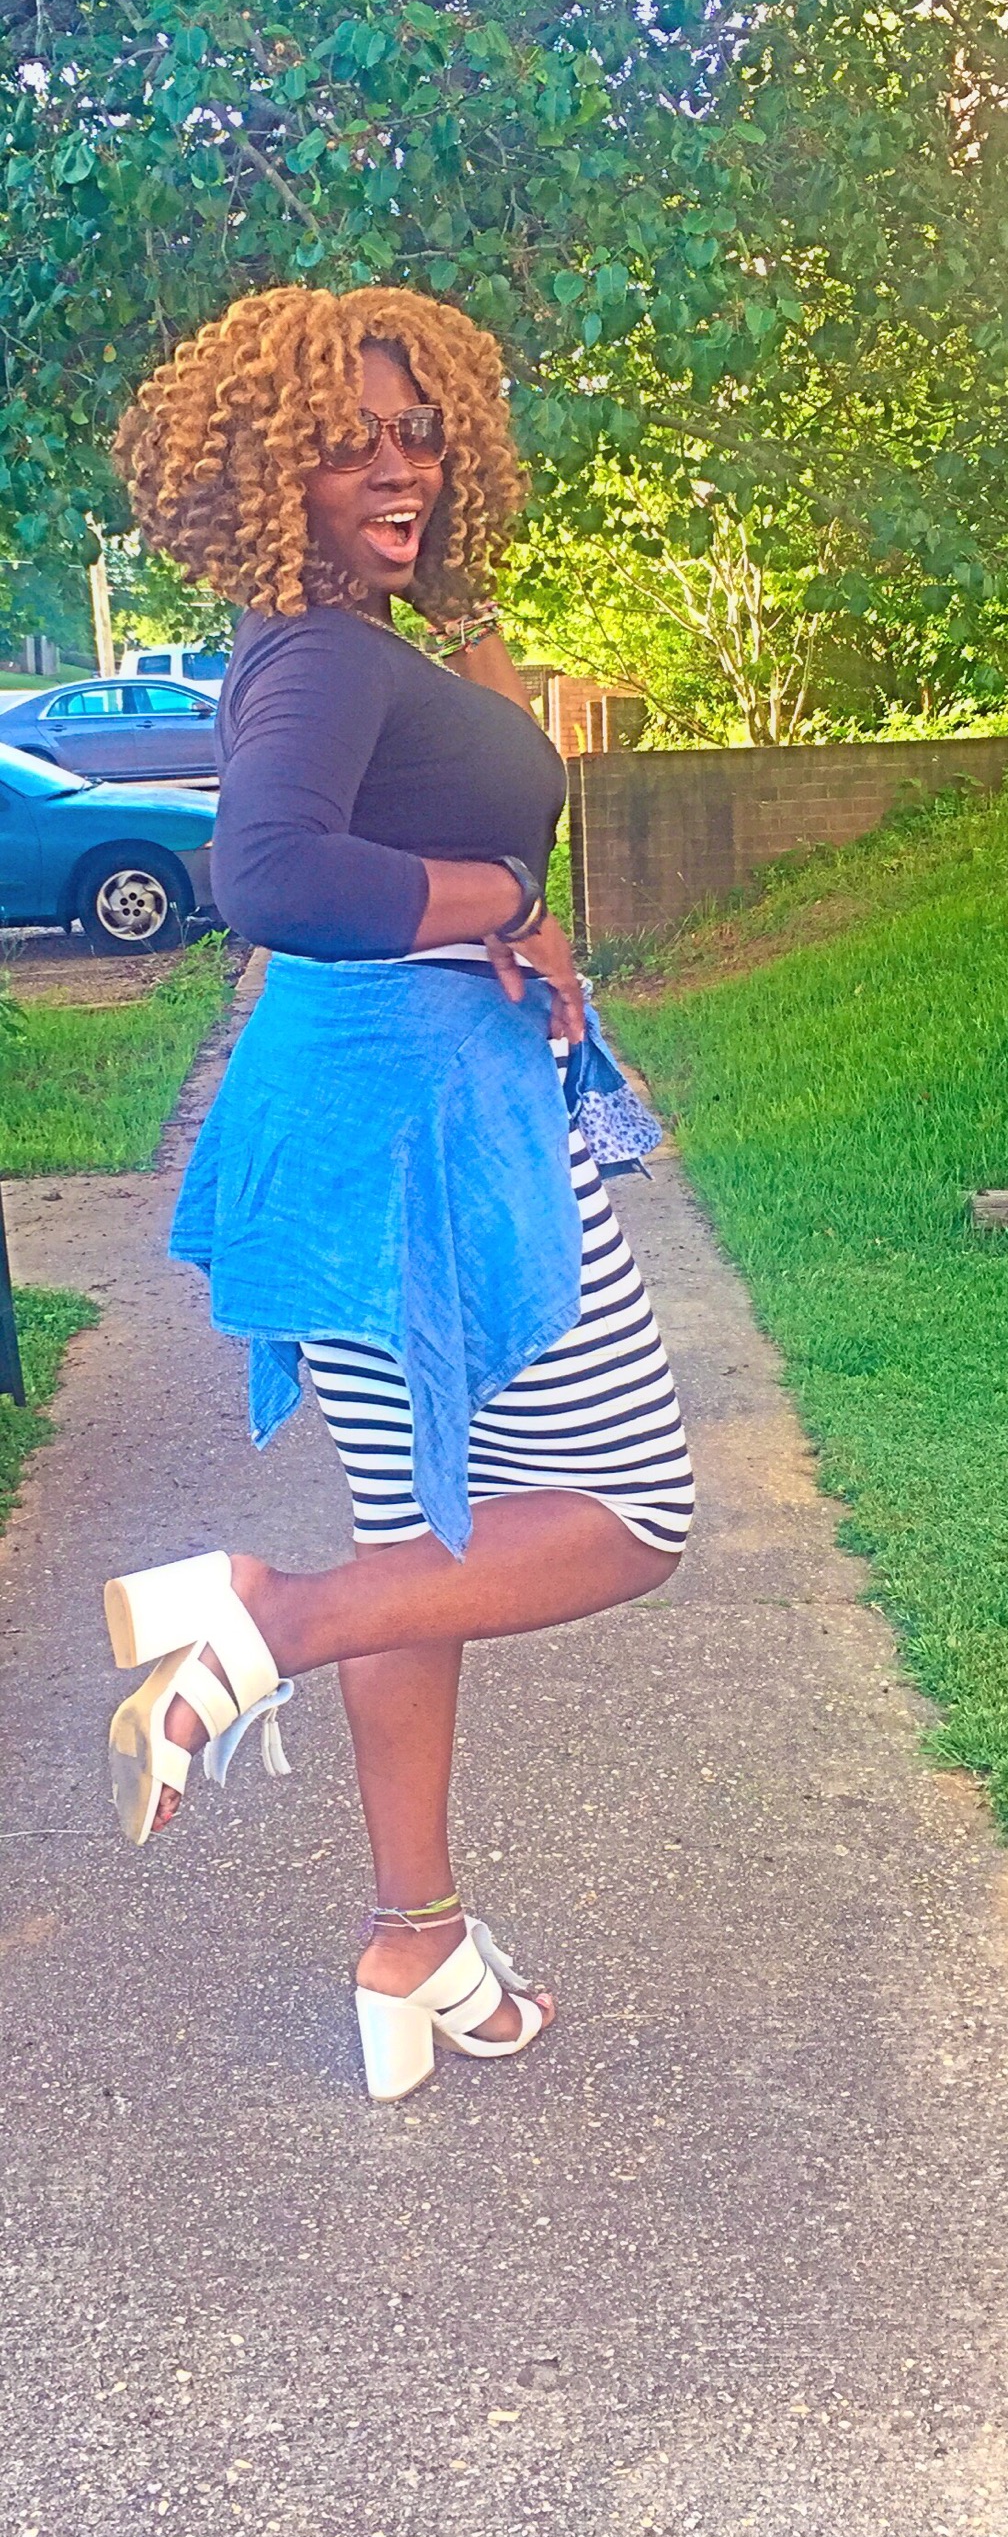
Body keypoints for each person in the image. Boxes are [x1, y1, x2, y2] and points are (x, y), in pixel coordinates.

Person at [105, 284, 695, 2099]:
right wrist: (500, 907)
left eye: (418, 434)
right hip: (420, 1135)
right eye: (347, 443)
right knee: (632, 1511)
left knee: (418, 1553)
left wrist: (469, 622)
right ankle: (257, 1621)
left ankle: (412, 1941)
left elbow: (486, 812)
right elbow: (272, 875)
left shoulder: (357, 642)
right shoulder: (320, 655)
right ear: (265, 468)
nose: (399, 468)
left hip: (365, 1127)